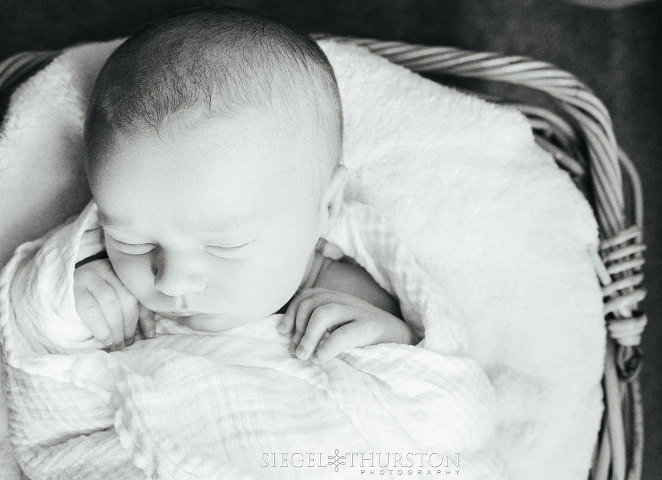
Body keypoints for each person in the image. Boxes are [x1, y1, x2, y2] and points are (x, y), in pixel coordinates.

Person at [73, 6, 419, 363]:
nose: (171, 283)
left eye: (226, 245)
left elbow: (443, 382)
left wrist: (397, 337)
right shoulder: (105, 278)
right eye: (132, 242)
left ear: (326, 207)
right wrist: (62, 304)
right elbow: (22, 345)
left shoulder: (352, 296)